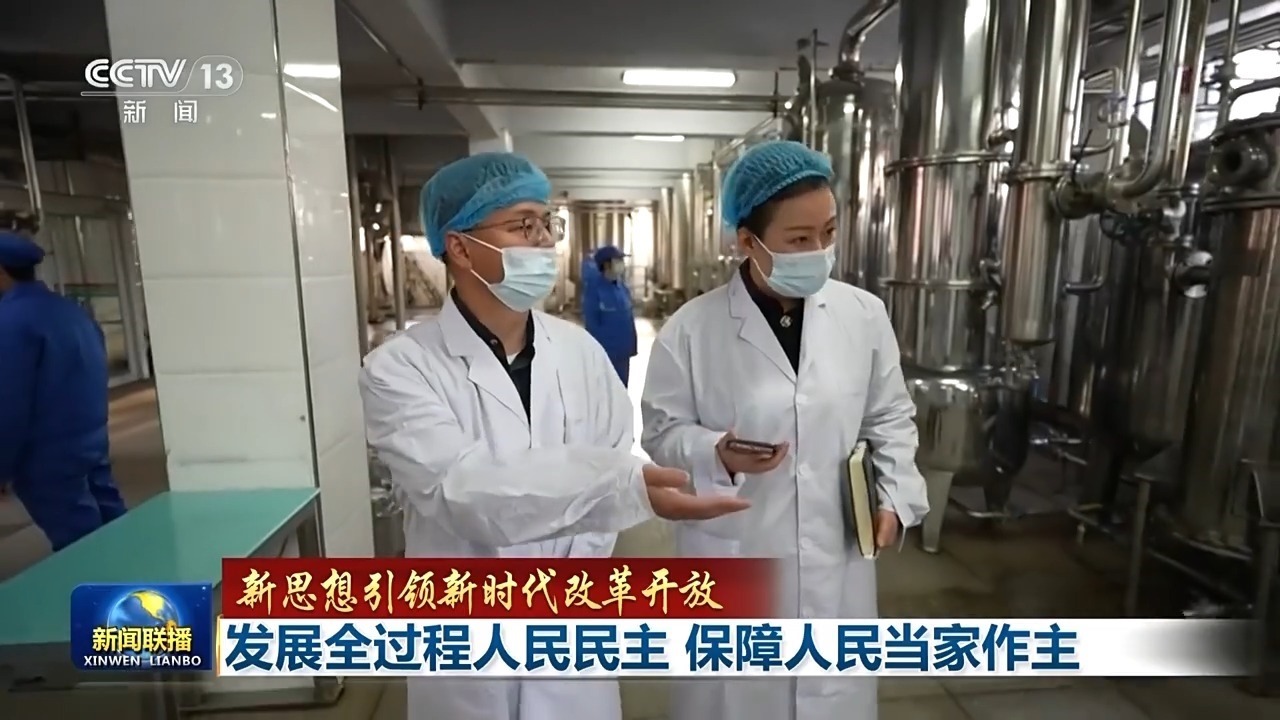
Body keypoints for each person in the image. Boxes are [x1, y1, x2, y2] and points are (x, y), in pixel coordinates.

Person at [358, 152, 752, 720]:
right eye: (523, 225)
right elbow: (459, 491)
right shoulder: (400, 369)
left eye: (547, 223)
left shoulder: (580, 352)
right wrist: (621, 487)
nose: (544, 240)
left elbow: (612, 457)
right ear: (460, 247)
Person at [640, 140, 930, 720]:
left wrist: (896, 496)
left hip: (836, 553)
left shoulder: (863, 315)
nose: (819, 251)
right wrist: (716, 452)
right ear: (747, 242)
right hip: (737, 552)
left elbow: (888, 416)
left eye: (829, 232)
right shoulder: (692, 330)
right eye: (799, 239)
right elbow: (661, 433)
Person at [0, 231, 127, 550]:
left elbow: (8, 405)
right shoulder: (71, 312)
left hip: (45, 459)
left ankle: (107, 582)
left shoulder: (10, 322)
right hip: (90, 444)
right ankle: (144, 577)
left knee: (80, 548)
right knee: (116, 529)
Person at [581, 244, 638, 385]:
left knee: (622, 389)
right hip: (605, 355)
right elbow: (592, 325)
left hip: (623, 354)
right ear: (606, 264)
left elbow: (629, 319)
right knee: (605, 391)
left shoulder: (622, 287)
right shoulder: (594, 291)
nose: (621, 264)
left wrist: (632, 346)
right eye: (618, 260)